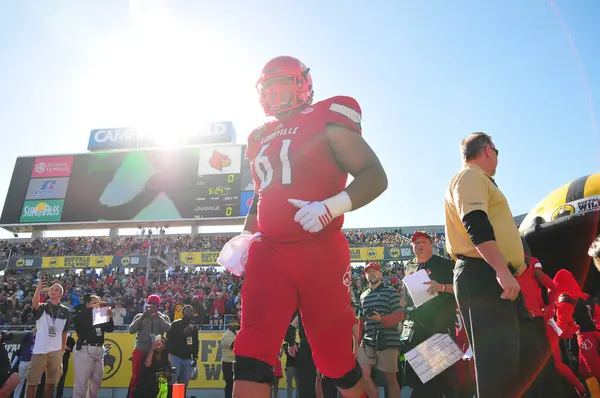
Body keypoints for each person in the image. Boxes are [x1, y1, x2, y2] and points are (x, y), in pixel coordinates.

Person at [232, 55, 388, 398]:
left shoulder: (326, 116)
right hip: (270, 251)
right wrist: (245, 236)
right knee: (252, 350)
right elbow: (262, 194)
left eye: (283, 86)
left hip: (320, 250)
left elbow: (375, 176)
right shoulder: (259, 135)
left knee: (336, 363)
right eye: (269, 89)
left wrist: (331, 207)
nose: (275, 96)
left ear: (303, 84)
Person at [444, 132, 525, 398]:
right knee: (497, 368)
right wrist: (501, 270)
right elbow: (476, 222)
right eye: (497, 151)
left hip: (488, 272)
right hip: (484, 273)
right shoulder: (471, 176)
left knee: (506, 366)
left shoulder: (477, 179)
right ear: (488, 150)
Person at [400, 232, 460, 397]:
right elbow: (406, 290)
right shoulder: (409, 266)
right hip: (416, 329)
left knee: (445, 379)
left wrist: (441, 287)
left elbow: (460, 289)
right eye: (415, 243)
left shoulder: (446, 264)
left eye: (423, 242)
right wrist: (403, 299)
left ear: (431, 244)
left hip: (439, 328)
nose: (419, 245)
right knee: (418, 381)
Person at [357, 262, 404, 398]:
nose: (371, 273)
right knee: (363, 375)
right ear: (365, 275)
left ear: (381, 274)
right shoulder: (363, 295)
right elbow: (361, 321)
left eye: (374, 271)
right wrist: (357, 343)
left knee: (390, 378)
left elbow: (400, 315)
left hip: (388, 340)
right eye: (368, 272)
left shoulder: (391, 292)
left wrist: (381, 319)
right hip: (368, 341)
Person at [27, 278, 70, 398]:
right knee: (32, 382)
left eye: (56, 290)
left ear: (61, 294)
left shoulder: (65, 311)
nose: (53, 291)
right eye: (51, 289)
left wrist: (62, 348)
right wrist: (38, 289)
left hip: (56, 351)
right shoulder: (42, 307)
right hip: (40, 349)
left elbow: (65, 331)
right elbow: (34, 304)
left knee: (51, 382)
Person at [128, 295, 171, 398]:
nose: (152, 306)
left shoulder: (164, 317)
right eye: (150, 304)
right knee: (137, 376)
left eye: (155, 304)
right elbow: (131, 330)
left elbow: (168, 330)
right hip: (140, 350)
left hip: (156, 352)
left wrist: (158, 316)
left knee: (155, 378)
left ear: (158, 305)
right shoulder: (139, 316)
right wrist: (143, 316)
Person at [72, 294, 115, 398]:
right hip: (85, 349)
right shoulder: (81, 316)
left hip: (99, 350)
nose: (98, 305)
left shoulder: (101, 316)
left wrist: (110, 317)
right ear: (87, 305)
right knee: (81, 383)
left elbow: (110, 328)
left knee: (96, 383)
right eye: (94, 303)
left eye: (99, 302)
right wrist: (92, 310)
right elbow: (76, 321)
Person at [166, 305, 198, 390]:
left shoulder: (194, 326)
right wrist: (182, 334)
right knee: (171, 380)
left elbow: (195, 343)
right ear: (183, 312)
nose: (189, 312)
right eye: (187, 310)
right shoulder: (176, 323)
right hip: (175, 356)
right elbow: (169, 337)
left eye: (191, 310)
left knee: (184, 383)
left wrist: (195, 357)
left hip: (187, 358)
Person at [221, 320, 239, 398]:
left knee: (236, 384)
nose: (234, 326)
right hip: (228, 362)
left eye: (235, 324)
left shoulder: (235, 334)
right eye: (232, 324)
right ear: (229, 326)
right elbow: (233, 346)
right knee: (229, 383)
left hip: (235, 362)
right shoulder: (227, 335)